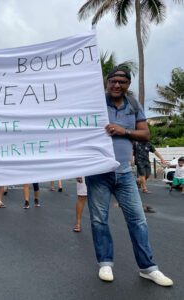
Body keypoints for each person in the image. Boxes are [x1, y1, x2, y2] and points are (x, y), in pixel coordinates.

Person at [86, 66, 173, 286]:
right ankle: (105, 263)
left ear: (128, 85)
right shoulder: (94, 104)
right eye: (113, 81)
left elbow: (145, 134)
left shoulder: (134, 105)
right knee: (99, 221)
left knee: (138, 220)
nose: (117, 85)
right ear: (106, 82)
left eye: (122, 82)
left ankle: (148, 267)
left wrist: (124, 131)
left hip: (124, 173)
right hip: (97, 174)